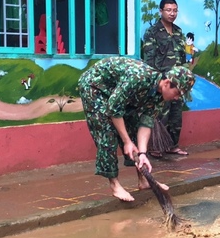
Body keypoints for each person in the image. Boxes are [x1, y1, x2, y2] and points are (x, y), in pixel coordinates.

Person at [78, 57, 194, 202]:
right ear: (166, 83)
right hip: (95, 86)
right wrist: (126, 141)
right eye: (177, 93)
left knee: (133, 127)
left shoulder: (159, 97)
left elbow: (146, 123)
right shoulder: (138, 78)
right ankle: (115, 185)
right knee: (106, 132)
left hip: (115, 91)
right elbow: (114, 109)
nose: (177, 98)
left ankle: (144, 180)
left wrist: (143, 153)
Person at [142, 0, 188, 157]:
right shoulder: (152, 32)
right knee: (160, 115)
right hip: (161, 82)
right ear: (161, 11)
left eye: (175, 10)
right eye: (168, 10)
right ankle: (155, 147)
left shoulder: (179, 31)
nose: (172, 13)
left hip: (177, 83)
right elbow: (149, 61)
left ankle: (172, 146)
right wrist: (155, 83)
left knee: (176, 115)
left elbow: (182, 58)